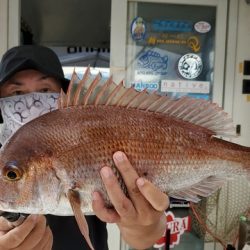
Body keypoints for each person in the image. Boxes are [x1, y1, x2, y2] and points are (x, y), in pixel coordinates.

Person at [0, 45, 169, 250]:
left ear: (62, 95)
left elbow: (142, 240)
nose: (31, 102)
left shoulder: (90, 137)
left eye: (45, 90)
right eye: (17, 92)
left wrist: (142, 224)